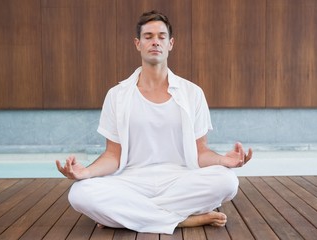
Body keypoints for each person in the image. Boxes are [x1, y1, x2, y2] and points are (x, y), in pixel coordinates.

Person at [56, 10, 252, 234]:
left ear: (170, 43)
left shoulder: (192, 93)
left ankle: (124, 216)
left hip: (179, 180)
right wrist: (87, 173)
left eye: (161, 36)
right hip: (131, 180)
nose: (155, 42)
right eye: (148, 36)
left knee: (227, 181)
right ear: (138, 44)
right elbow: (113, 155)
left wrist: (223, 160)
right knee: (79, 193)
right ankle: (181, 220)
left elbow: (200, 151)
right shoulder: (117, 95)